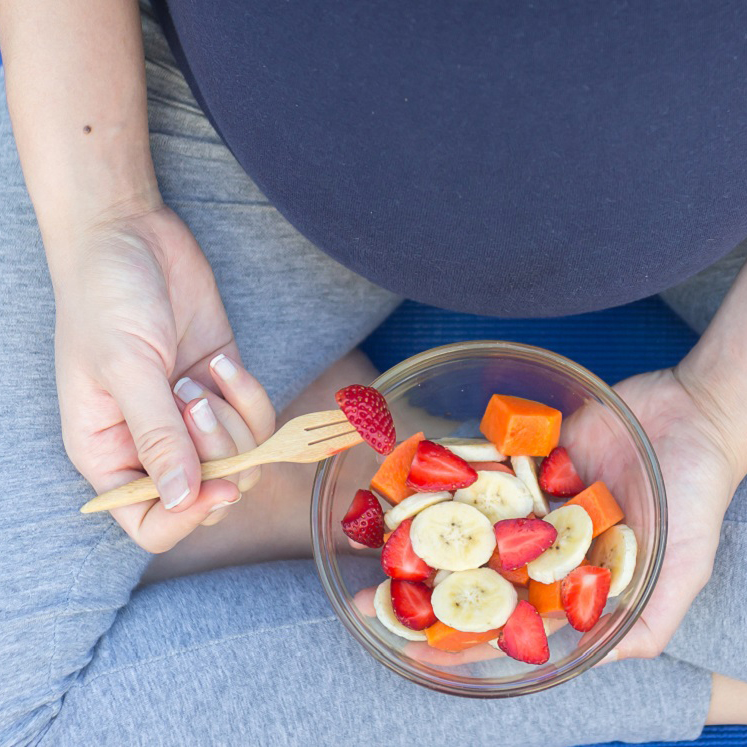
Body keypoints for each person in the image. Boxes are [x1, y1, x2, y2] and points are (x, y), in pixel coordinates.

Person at [0, 1, 745, 744]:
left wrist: (720, 407)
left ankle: (388, 468)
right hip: (232, 148)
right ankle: (405, 472)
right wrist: (107, 219)